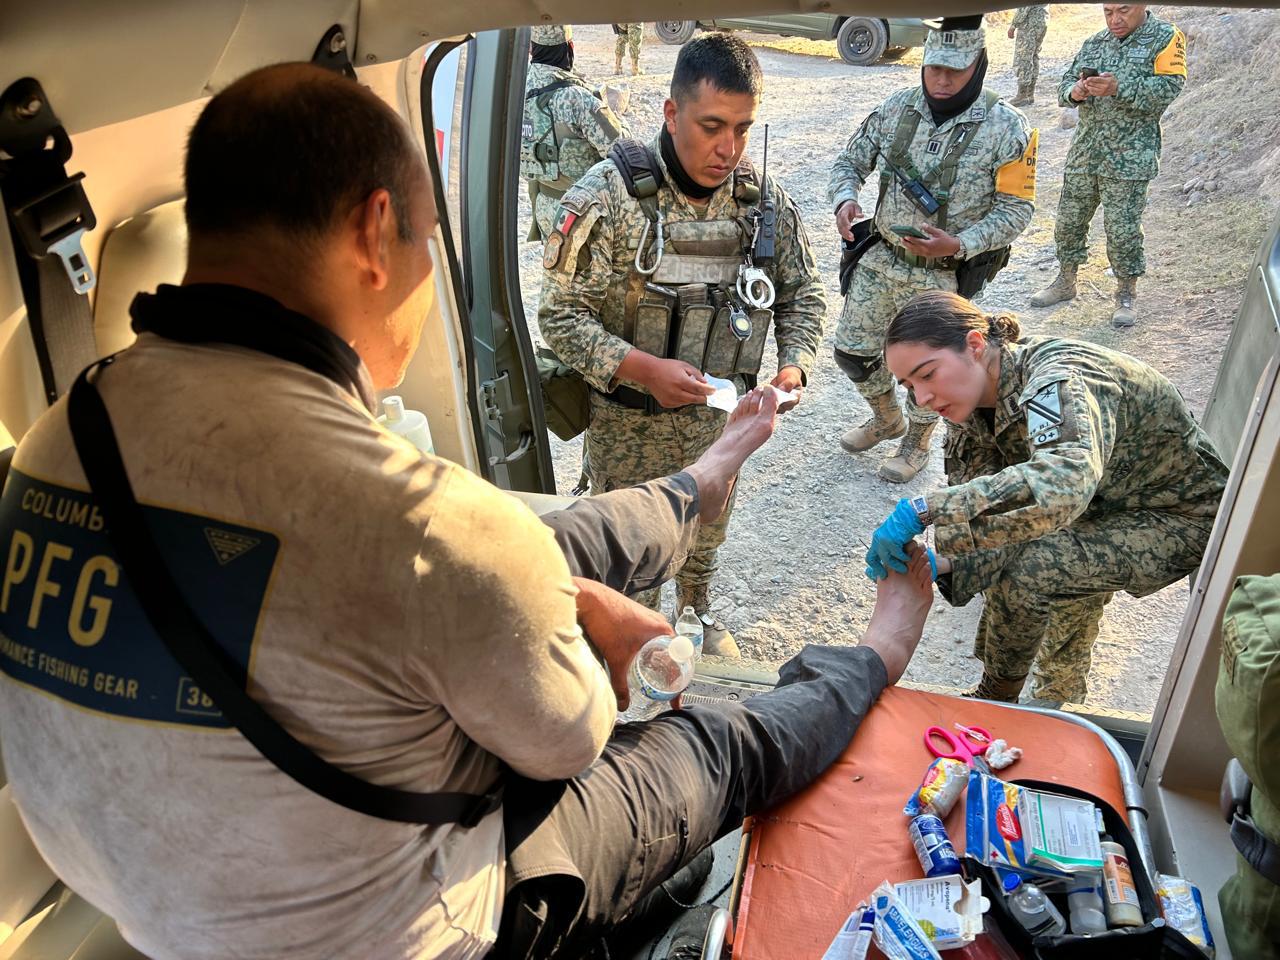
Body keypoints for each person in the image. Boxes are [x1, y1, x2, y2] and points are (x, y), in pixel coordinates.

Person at [0, 63, 932, 960]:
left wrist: (695, 469)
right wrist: (600, 632)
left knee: (544, 543)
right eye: (423, 241)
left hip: (146, 894)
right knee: (718, 739)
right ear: (376, 232)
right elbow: (569, 741)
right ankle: (873, 658)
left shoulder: (59, 434)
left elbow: (457, 561)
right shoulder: (410, 514)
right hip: (402, 926)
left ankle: (703, 480)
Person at [539, 33, 826, 657]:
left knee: (706, 532)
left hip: (718, 426)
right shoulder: (609, 198)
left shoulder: (759, 201)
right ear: (672, 114)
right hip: (627, 431)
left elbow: (802, 291)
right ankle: (633, 643)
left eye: (744, 129)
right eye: (712, 126)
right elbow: (559, 316)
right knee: (631, 550)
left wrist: (794, 368)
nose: (729, 149)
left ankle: (695, 614)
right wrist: (642, 369)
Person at [864, 291, 1227, 706]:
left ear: (976, 345)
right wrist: (944, 562)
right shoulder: (968, 402)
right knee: (1027, 555)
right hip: (1098, 507)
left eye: (927, 374)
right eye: (909, 385)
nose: (922, 399)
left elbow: (1060, 490)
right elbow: (1002, 513)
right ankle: (1017, 698)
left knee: (1036, 569)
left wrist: (924, 510)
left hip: (1179, 517)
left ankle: (1017, 700)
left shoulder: (1060, 377)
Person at [828, 16, 1036, 483]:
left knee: (932, 369)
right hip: (882, 259)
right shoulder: (895, 109)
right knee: (852, 352)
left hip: (942, 273)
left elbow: (1017, 211)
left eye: (955, 71)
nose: (941, 80)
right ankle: (886, 419)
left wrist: (961, 244)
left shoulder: (1008, 127)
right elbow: (849, 161)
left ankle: (916, 443)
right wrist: (844, 198)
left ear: (978, 66)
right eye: (934, 68)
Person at [1030, 4, 1187, 328]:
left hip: (1130, 154)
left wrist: (1120, 88)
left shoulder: (1165, 38)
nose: (1114, 19)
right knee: (1068, 221)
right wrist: (1073, 92)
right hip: (1086, 151)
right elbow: (1063, 86)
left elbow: (1170, 89)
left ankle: (1126, 293)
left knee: (1122, 230)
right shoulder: (1095, 42)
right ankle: (1065, 280)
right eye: (1108, 11)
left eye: (1123, 11)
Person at [522, 25, 630, 242]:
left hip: (544, 207)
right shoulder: (577, 98)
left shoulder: (518, 87)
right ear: (569, 48)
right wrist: (615, 113)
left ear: (533, 50)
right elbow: (623, 147)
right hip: (582, 213)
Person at [1007, 6, 1049, 106]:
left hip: (1029, 23)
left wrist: (1013, 25)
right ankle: (1030, 94)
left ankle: (1023, 95)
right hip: (1041, 20)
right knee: (1033, 57)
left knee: (1023, 58)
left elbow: (1025, 5)